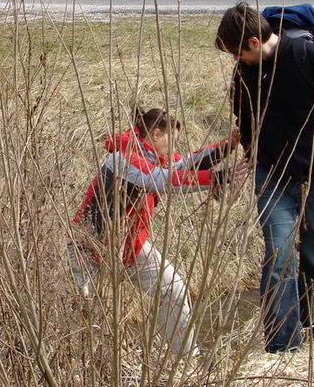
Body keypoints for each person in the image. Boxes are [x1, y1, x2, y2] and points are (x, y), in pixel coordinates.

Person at [215, 2, 314, 353]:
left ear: (253, 41)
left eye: (237, 52)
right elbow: (244, 114)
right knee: (278, 256)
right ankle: (283, 348)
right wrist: (251, 150)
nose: (235, 59)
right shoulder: (244, 72)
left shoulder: (310, 57)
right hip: (271, 177)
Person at [70, 107, 248, 356]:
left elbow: (185, 162)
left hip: (128, 246)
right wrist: (217, 178)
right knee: (78, 314)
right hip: (86, 247)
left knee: (174, 289)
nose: (173, 145)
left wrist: (226, 146)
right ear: (155, 135)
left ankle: (185, 361)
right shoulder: (124, 158)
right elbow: (161, 179)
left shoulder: (153, 157)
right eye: (171, 139)